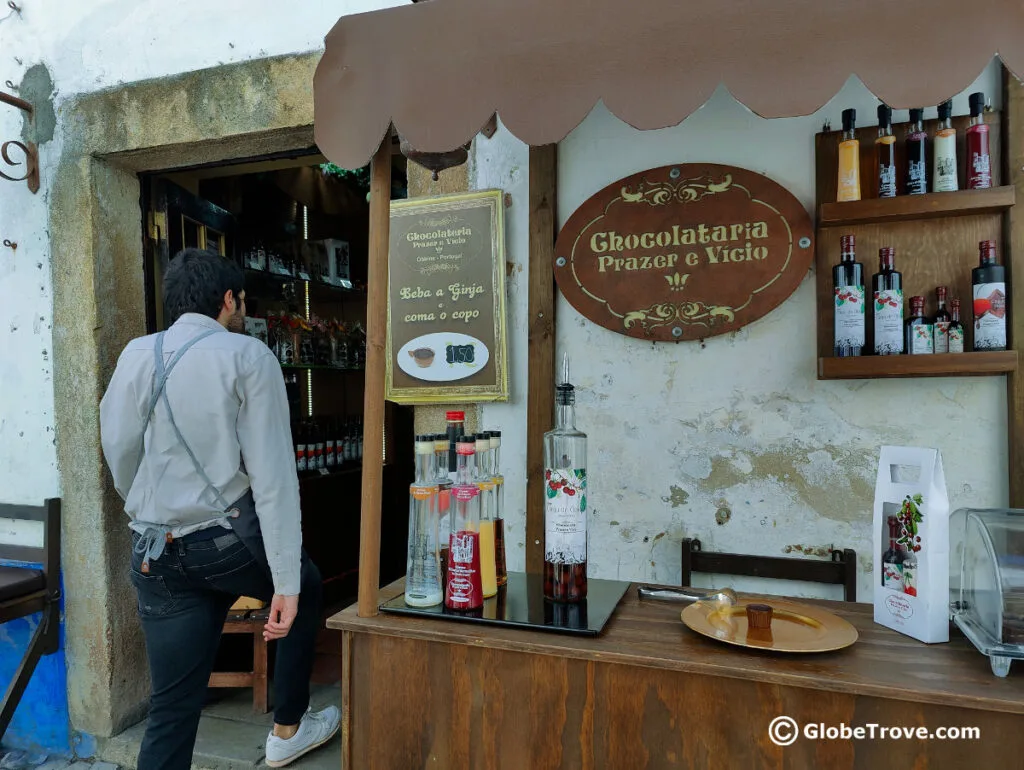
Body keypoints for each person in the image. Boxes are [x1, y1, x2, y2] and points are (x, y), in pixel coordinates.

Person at [100, 249, 340, 769]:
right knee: (306, 582)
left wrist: (145, 507)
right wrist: (285, 583)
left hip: (155, 551)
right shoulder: (247, 356)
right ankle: (287, 729)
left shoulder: (136, 354)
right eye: (241, 301)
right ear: (228, 300)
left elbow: (118, 450)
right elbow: (273, 478)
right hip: (227, 544)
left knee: (171, 706)